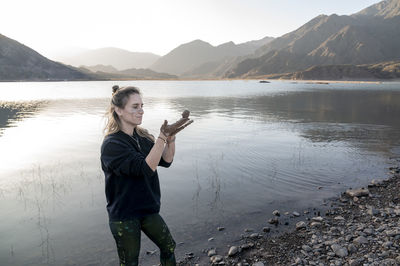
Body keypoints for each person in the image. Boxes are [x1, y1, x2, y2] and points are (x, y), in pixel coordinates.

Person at [100, 85, 192, 266]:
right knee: (130, 262)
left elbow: (166, 159)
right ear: (118, 110)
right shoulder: (112, 144)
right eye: (135, 107)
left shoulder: (142, 137)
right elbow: (145, 168)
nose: (141, 110)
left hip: (148, 209)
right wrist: (161, 137)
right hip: (124, 215)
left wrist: (170, 137)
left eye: (142, 106)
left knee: (169, 246)